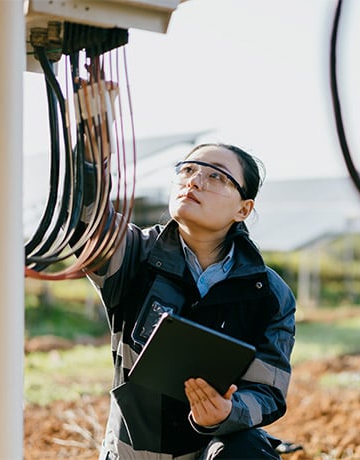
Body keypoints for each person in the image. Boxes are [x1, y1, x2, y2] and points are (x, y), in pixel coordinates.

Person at [82, 143, 297, 459]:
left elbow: (268, 390)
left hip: (210, 450)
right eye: (187, 169)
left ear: (243, 209)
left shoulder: (268, 293)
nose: (194, 181)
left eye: (216, 177)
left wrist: (226, 412)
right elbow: (87, 220)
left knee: (247, 449)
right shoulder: (133, 255)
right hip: (134, 452)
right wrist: (92, 145)